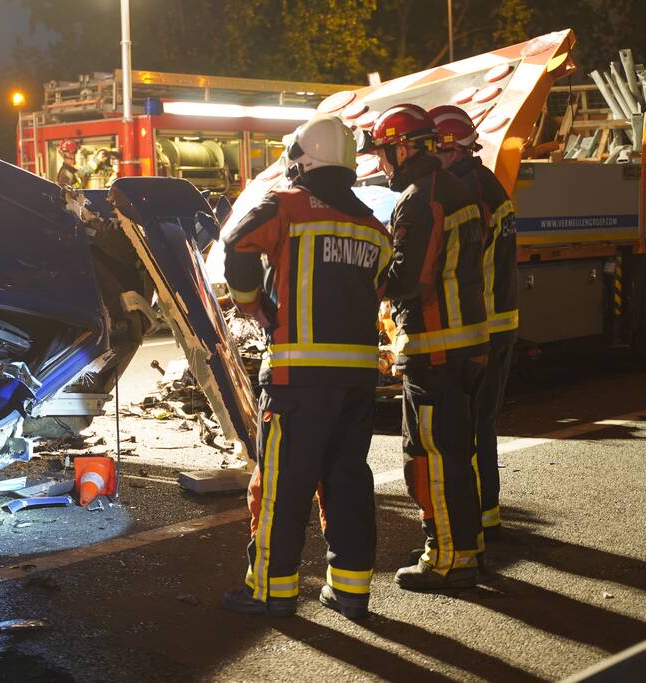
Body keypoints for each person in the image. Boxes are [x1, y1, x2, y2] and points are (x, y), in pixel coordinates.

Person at [221, 114, 391, 619]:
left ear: (302, 159)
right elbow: (378, 287)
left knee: (283, 487)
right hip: (359, 378)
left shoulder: (288, 205)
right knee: (348, 483)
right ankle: (351, 590)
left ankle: (271, 592)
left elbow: (236, 242)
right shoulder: (372, 225)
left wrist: (252, 304)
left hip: (298, 378)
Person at [364, 103, 489, 590]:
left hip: (435, 348)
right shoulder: (454, 188)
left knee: (431, 454)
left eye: (384, 153)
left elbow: (407, 279)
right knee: (457, 453)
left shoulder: (420, 198)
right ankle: (467, 542)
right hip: (465, 343)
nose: (381, 164)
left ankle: (448, 560)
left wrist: (369, 262)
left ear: (403, 146)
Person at [429, 105, 518, 542]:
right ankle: (487, 514)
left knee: (471, 425)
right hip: (498, 319)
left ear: (449, 149)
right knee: (481, 422)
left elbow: (460, 259)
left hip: (480, 322)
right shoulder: (486, 183)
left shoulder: (467, 189)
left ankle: (480, 519)